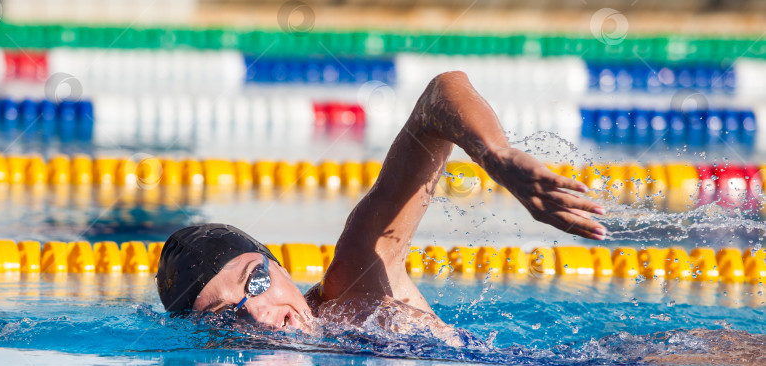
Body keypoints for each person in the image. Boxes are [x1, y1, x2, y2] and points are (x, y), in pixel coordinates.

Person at [156, 71, 606, 335]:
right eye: (223, 318)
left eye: (254, 283)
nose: (257, 314)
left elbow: (439, 96)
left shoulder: (354, 290)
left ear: (280, 268)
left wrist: (494, 154)